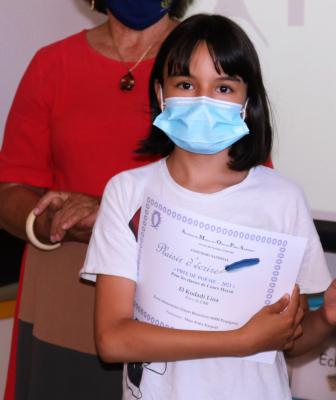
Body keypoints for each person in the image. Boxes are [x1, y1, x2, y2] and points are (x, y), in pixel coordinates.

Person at [81, 14, 336, 400]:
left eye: (223, 87)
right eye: (186, 84)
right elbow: (112, 339)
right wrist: (239, 340)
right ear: (160, 93)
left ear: (247, 101)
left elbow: (289, 340)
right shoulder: (129, 192)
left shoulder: (282, 198)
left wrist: (326, 317)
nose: (203, 100)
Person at [0, 1, 193, 398]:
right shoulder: (52, 63)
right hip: (63, 294)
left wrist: (112, 217)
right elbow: (10, 191)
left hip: (175, 299)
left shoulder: (208, 61)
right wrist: (53, 222)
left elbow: (245, 192)